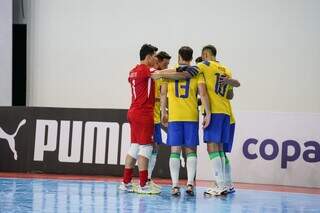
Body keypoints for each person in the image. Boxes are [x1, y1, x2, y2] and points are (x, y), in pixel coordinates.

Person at [161, 46, 211, 196]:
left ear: (179, 56)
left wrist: (163, 111)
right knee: (191, 151)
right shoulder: (196, 73)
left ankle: (175, 186)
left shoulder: (170, 72)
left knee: (175, 151)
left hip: (175, 116)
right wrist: (207, 113)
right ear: (191, 57)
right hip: (190, 116)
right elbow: (203, 94)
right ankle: (190, 184)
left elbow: (163, 94)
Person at [197, 45, 240, 196]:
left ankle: (220, 184)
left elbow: (188, 70)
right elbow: (230, 96)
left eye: (202, 56)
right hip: (226, 112)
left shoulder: (204, 66)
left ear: (206, 54)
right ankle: (227, 184)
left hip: (214, 112)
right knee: (220, 149)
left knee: (212, 148)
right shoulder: (226, 70)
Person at [119, 44, 161, 194]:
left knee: (134, 147)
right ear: (148, 57)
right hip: (144, 113)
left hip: (133, 111)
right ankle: (143, 185)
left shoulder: (133, 71)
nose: (156, 59)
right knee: (146, 147)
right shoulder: (146, 70)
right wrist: (181, 71)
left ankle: (126, 182)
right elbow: (162, 74)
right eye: (154, 56)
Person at [147, 51, 171, 188]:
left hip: (156, 116)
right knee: (147, 147)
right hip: (149, 116)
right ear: (158, 61)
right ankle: (145, 180)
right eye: (165, 64)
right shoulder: (153, 74)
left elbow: (163, 96)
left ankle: (148, 179)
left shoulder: (162, 76)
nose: (166, 66)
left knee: (155, 148)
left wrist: (164, 111)